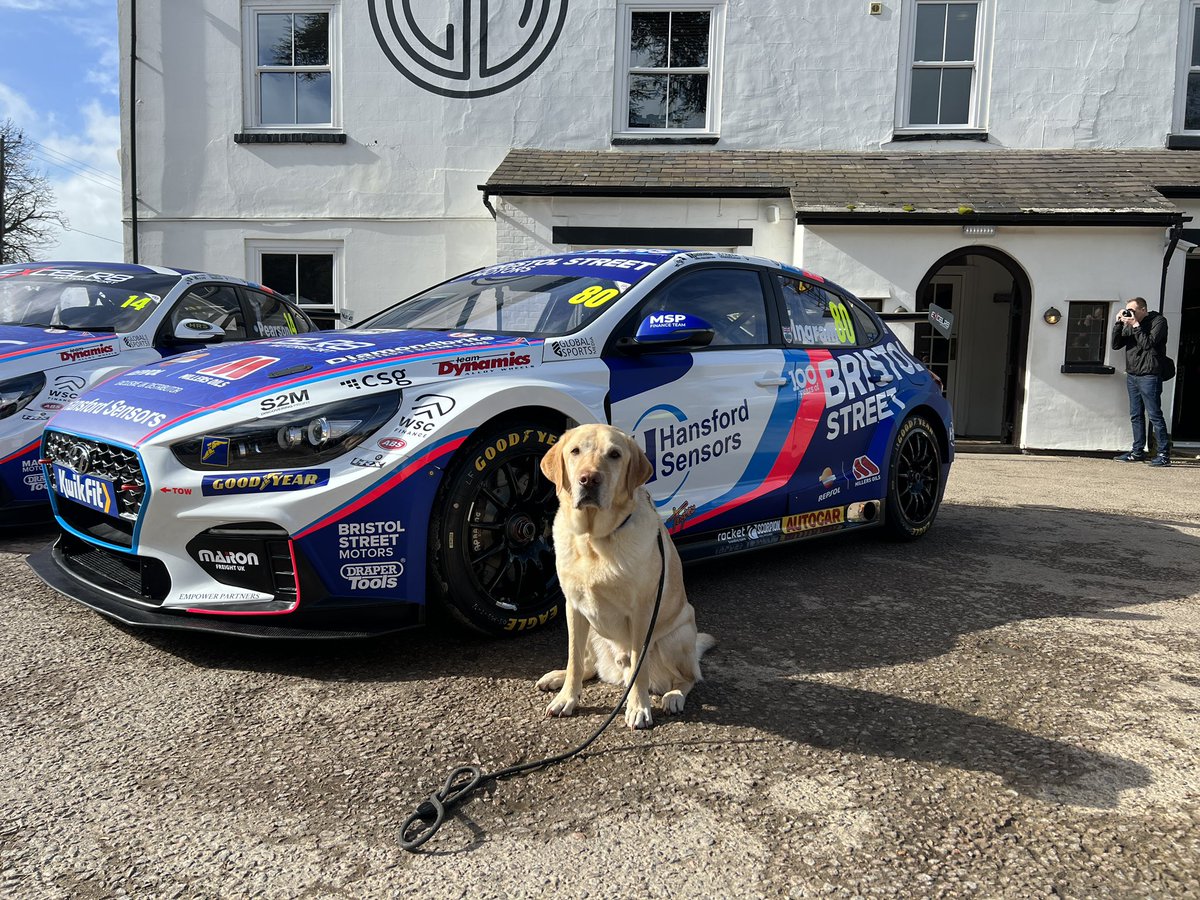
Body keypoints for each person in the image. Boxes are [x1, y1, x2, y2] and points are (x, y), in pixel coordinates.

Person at [1111, 297, 1170, 467]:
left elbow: (1148, 344)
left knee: (1154, 415)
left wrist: (1135, 325)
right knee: (1136, 415)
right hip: (1132, 374)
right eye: (1128, 310)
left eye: (1134, 310)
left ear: (1143, 309)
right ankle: (1137, 451)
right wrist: (1118, 324)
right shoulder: (1130, 323)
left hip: (1150, 374)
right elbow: (1116, 345)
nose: (1130, 313)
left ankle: (1163, 454)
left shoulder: (1158, 321)